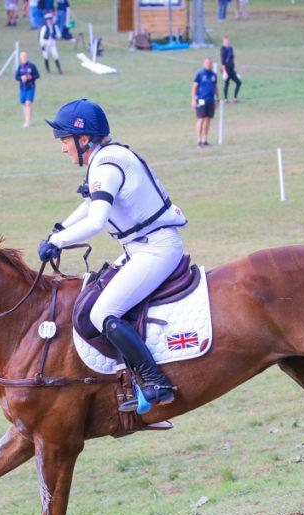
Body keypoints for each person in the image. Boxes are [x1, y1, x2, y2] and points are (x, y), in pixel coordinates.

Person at [40, 99, 188, 410]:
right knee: (92, 298)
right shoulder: (106, 159)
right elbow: (90, 205)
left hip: (155, 249)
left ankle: (155, 382)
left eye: (65, 140)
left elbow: (95, 221)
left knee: (102, 313)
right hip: (141, 248)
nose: (63, 148)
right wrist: (59, 230)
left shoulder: (106, 165)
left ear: (84, 139)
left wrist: (59, 242)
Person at [191, 57, 218, 146]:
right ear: (204, 64)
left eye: (209, 63)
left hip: (210, 100)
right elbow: (194, 87)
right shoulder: (200, 74)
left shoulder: (214, 75)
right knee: (201, 119)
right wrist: (194, 99)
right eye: (207, 63)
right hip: (201, 100)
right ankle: (199, 140)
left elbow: (216, 87)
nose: (208, 64)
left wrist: (217, 99)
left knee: (208, 120)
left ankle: (205, 140)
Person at [14, 51, 39, 127]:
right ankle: (26, 120)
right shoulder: (20, 67)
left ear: (27, 57)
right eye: (22, 57)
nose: (23, 58)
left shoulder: (32, 66)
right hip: (22, 88)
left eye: (24, 56)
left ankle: (28, 122)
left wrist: (30, 77)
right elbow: (16, 77)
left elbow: (37, 75)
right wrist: (21, 77)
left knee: (28, 103)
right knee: (24, 104)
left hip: (30, 87)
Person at [220, 36, 241, 102]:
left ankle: (235, 98)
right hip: (226, 69)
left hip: (232, 69)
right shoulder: (223, 49)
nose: (228, 43)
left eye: (228, 41)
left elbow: (231, 58)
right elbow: (223, 61)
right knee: (227, 83)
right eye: (226, 42)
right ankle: (226, 99)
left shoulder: (231, 48)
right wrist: (224, 71)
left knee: (238, 82)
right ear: (223, 42)